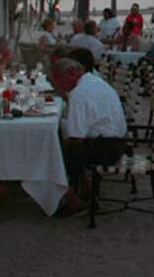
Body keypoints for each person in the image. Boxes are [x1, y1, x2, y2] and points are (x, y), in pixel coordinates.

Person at [50, 57, 127, 215]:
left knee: (49, 158)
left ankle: (74, 201)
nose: (59, 86)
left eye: (59, 80)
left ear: (71, 73)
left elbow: (76, 138)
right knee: (65, 145)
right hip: (119, 143)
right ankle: (87, 188)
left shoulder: (79, 94)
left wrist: (56, 148)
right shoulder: (94, 81)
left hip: (105, 149)